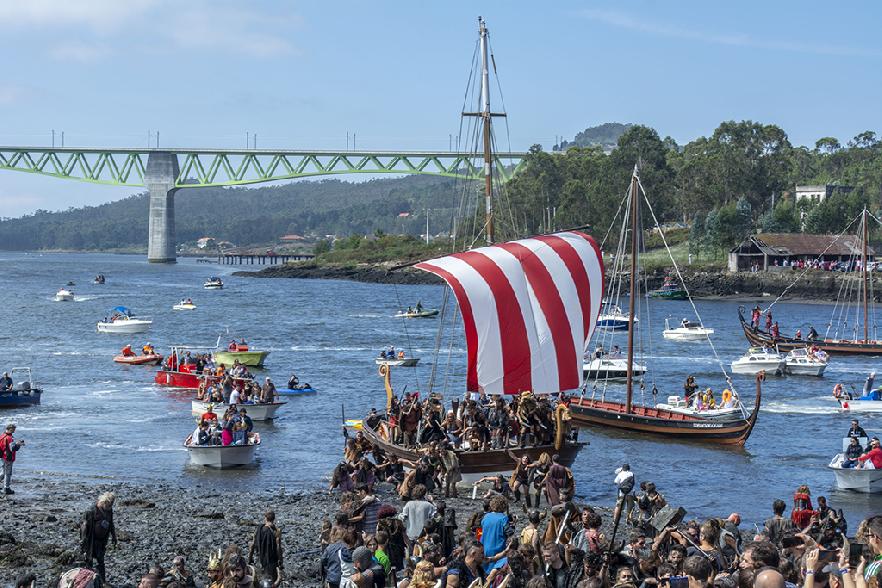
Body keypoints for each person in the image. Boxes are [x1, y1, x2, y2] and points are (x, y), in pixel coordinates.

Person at [80, 492, 118, 584]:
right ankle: (87, 581)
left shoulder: (109, 510)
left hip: (102, 541)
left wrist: (114, 536)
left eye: (112, 504)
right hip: (91, 540)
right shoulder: (91, 511)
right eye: (109, 504)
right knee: (88, 560)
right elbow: (84, 526)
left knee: (100, 561)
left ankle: (102, 582)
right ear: (103, 502)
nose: (110, 506)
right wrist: (83, 540)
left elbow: (111, 523)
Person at [248, 510, 283, 584]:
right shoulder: (277, 531)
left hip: (259, 560)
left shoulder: (258, 529)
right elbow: (278, 548)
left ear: (265, 518)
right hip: (271, 562)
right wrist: (280, 562)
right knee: (272, 582)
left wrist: (250, 559)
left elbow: (252, 545)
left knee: (259, 582)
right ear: (274, 519)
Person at [481, 494, 510, 571]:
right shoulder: (503, 518)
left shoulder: (486, 516)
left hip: (485, 547)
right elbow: (509, 532)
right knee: (496, 571)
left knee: (485, 569)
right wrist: (514, 524)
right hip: (498, 548)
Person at [0, 423, 23, 495]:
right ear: (10, 429)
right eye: (13, 429)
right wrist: (18, 444)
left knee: (3, 472)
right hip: (8, 457)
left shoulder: (2, 436)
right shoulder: (9, 438)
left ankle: (5, 487)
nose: (14, 430)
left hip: (2, 456)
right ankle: (6, 488)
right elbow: (12, 448)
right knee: (8, 473)